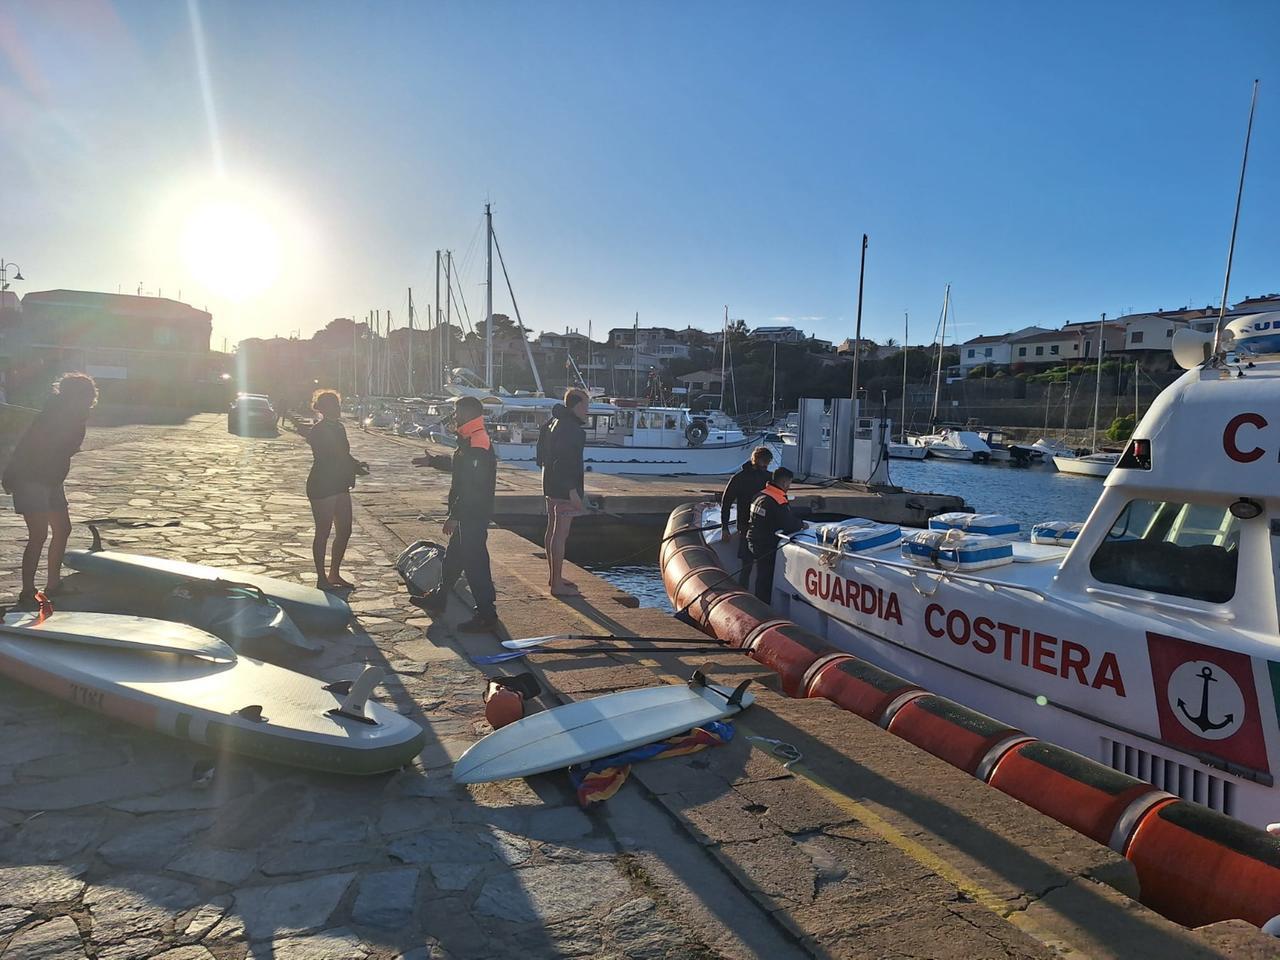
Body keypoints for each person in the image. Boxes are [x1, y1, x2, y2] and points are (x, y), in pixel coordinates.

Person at [3, 373, 97, 606]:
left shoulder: (74, 416)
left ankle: (53, 585)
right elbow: (30, 448)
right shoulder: (54, 415)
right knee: (39, 536)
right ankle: (27, 591)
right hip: (31, 479)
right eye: (86, 394)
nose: (90, 399)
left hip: (51, 480)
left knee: (63, 529)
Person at [413, 395, 498, 631]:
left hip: (473, 513)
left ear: (469, 413)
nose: (454, 416)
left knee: (475, 563)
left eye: (457, 411)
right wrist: (435, 462)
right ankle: (439, 599)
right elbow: (460, 466)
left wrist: (455, 515)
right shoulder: (469, 439)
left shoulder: (477, 442)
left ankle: (487, 615)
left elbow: (473, 486)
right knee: (454, 558)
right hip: (469, 512)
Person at [306, 389, 366, 590]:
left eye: (339, 405)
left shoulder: (339, 428)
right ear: (324, 408)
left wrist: (356, 464)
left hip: (340, 483)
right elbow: (328, 457)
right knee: (323, 531)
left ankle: (334, 573)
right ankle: (321, 577)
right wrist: (349, 465)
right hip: (323, 483)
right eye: (335, 405)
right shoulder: (318, 430)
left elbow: (343, 454)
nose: (339, 409)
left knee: (345, 530)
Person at [542, 388, 590, 596]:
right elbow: (565, 462)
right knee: (561, 533)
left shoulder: (554, 422)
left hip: (550, 483)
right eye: (586, 406)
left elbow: (543, 454)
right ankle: (556, 585)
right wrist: (572, 491)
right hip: (564, 487)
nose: (587, 412)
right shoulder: (572, 429)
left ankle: (555, 577)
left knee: (553, 529)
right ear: (577, 406)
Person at [746, 466, 804, 604]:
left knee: (761, 576)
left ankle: (759, 602)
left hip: (753, 539)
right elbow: (788, 524)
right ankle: (764, 606)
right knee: (766, 578)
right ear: (784, 482)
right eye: (789, 483)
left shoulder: (760, 495)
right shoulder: (778, 500)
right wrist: (801, 524)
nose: (789, 486)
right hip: (767, 545)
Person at [720, 446, 773, 586]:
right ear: (760, 461)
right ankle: (751, 593)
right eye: (765, 462)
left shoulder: (765, 477)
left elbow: (726, 502)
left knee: (748, 564)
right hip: (749, 526)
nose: (767, 465)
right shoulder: (742, 478)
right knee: (749, 564)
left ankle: (748, 592)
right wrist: (724, 528)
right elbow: (726, 501)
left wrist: (725, 527)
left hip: (755, 526)